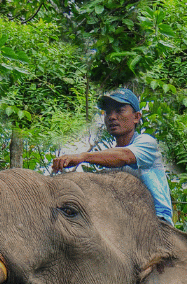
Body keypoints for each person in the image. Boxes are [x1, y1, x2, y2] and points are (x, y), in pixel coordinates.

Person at [51, 87, 174, 223]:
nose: (112, 117)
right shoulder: (108, 161)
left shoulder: (146, 143)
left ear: (136, 117)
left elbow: (125, 156)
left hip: (158, 223)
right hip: (127, 225)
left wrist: (83, 157)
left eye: (120, 110)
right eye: (108, 112)